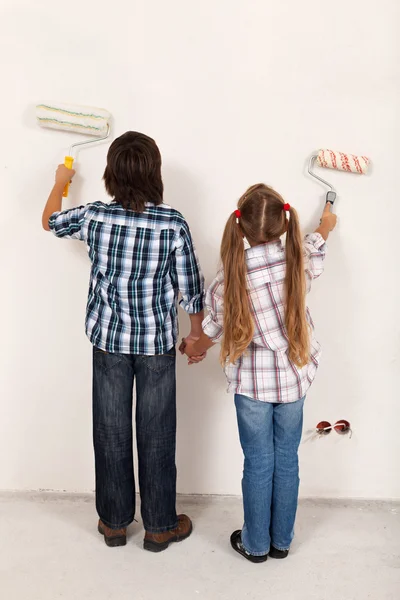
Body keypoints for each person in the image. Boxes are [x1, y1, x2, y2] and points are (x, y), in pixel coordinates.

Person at [42, 131, 205, 551]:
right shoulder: (172, 223)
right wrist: (198, 335)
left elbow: (50, 222)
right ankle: (159, 526)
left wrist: (61, 181)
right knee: (157, 433)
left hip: (109, 342)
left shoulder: (96, 215)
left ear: (111, 174)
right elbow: (191, 289)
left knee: (111, 430)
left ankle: (114, 523)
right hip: (156, 346)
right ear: (156, 173)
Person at [181, 184, 337, 563]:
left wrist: (192, 347)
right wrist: (327, 224)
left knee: (258, 462)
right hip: (294, 379)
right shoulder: (296, 260)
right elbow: (315, 244)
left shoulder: (226, 281)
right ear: (285, 223)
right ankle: (281, 540)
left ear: (240, 226)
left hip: (251, 386)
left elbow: (210, 334)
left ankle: (255, 545)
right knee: (287, 459)